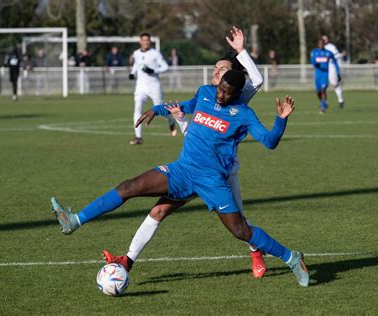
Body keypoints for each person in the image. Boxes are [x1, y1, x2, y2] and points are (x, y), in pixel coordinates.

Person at [51, 69, 310, 288]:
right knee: (129, 187)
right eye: (220, 87)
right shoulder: (205, 93)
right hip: (182, 170)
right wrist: (156, 109)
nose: (220, 94)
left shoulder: (243, 114)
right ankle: (74, 221)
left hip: (212, 180)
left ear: (237, 94)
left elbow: (270, 142)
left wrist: (280, 120)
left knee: (240, 231)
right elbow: (184, 107)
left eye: (227, 92)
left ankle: (291, 258)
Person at [101, 26, 268, 279]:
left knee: (240, 224)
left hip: (220, 172)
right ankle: (127, 259)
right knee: (158, 211)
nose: (216, 72)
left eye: (222, 69)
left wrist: (241, 51)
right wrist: (168, 114)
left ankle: (256, 251)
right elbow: (190, 126)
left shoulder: (237, 99)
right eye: (215, 68)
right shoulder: (204, 94)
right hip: (191, 170)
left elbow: (257, 80)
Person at [128, 33, 176, 145]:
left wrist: (153, 71)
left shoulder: (155, 53)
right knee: (137, 110)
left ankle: (171, 121)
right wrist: (132, 73)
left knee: (161, 111)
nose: (146, 42)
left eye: (148, 40)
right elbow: (137, 65)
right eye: (144, 40)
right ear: (140, 41)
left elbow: (165, 66)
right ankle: (138, 137)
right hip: (141, 87)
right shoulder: (136, 53)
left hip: (154, 87)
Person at [311, 38, 340, 114]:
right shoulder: (314, 52)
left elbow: (335, 62)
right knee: (318, 92)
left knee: (324, 90)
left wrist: (337, 72)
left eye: (322, 43)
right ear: (318, 44)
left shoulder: (329, 53)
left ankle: (323, 107)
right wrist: (315, 63)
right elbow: (312, 62)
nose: (321, 45)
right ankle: (323, 102)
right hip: (317, 74)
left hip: (325, 74)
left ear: (324, 44)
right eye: (319, 44)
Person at [321, 35, 345, 108]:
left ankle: (341, 100)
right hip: (323, 68)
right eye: (323, 39)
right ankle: (324, 102)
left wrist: (337, 70)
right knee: (323, 86)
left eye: (325, 39)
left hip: (331, 67)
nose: (324, 40)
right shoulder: (319, 48)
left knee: (334, 84)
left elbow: (337, 56)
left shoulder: (331, 47)